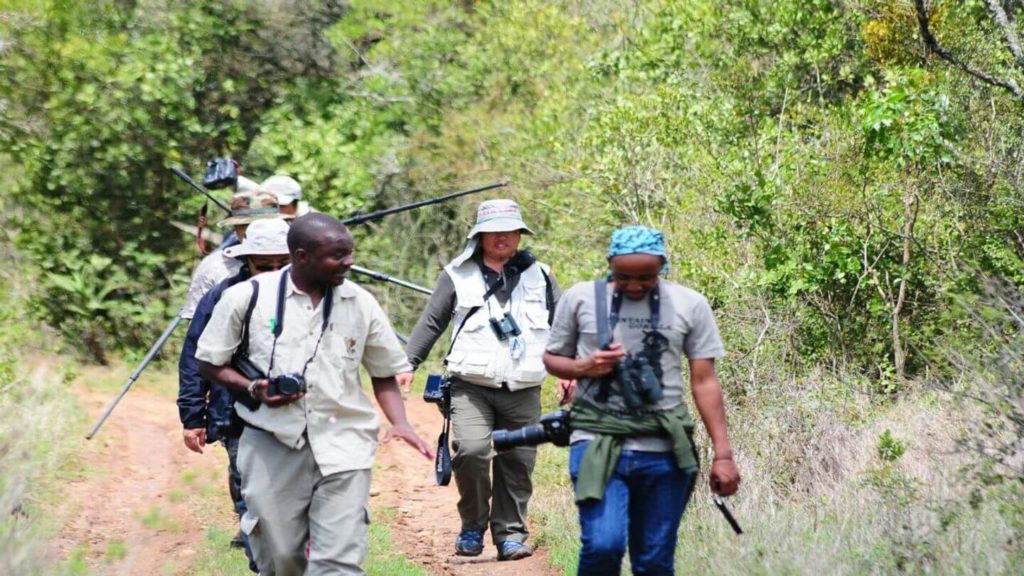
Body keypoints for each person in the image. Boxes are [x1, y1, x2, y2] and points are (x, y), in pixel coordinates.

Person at [196, 212, 433, 575]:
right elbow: (210, 362)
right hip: (270, 439)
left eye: (349, 253)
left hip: (344, 441)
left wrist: (401, 422)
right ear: (302, 256)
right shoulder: (247, 297)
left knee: (338, 561)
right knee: (282, 557)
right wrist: (254, 388)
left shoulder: (361, 301)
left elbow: (384, 373)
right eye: (337, 256)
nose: (348, 262)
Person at [542, 225, 741, 576]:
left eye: (646, 277)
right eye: (623, 277)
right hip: (596, 439)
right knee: (604, 545)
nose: (634, 285)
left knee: (654, 560)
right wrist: (584, 366)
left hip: (665, 448)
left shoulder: (690, 304)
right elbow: (552, 358)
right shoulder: (580, 298)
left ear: (663, 264)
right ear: (609, 264)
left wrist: (723, 455)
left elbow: (705, 381)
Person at [399, 199, 567, 561]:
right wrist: (408, 363)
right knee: (472, 451)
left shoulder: (541, 274)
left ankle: (510, 535)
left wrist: (571, 368)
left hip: (523, 387)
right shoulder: (458, 274)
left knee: (518, 462)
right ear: (480, 235)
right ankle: (473, 525)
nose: (503, 236)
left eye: (510, 230)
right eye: (494, 231)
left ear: (520, 234)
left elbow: (564, 324)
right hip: (470, 386)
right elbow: (432, 322)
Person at [177, 218, 292, 572]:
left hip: (298, 416)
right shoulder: (222, 296)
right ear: (247, 261)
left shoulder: (315, 297)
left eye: (282, 264)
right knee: (252, 500)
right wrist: (193, 416)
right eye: (264, 265)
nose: (273, 272)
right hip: (237, 415)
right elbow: (196, 356)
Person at [182, 189, 292, 320]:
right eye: (246, 225)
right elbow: (197, 321)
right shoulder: (215, 267)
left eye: (263, 224)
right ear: (235, 228)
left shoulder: (300, 259)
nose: (255, 231)